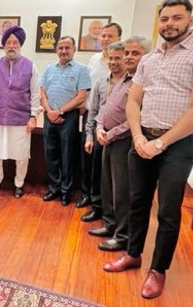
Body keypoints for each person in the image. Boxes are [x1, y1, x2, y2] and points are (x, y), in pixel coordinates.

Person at [122, 0, 193, 299]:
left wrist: (161, 143)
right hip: (143, 140)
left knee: (167, 210)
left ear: (190, 21)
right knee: (137, 202)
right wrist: (139, 136)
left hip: (177, 145)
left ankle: (158, 270)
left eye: (176, 18)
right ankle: (133, 254)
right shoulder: (149, 59)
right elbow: (134, 101)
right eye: (164, 18)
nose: (170, 24)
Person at [83, 38, 151, 257]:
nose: (127, 58)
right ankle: (110, 224)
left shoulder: (141, 82)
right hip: (107, 139)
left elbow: (136, 118)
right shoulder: (121, 80)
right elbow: (105, 108)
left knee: (122, 191)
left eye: (133, 54)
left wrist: (109, 133)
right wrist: (100, 128)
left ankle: (122, 236)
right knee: (108, 186)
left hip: (123, 141)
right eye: (127, 54)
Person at [0, 25, 42, 197]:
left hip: (20, 118)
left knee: (21, 155)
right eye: (8, 42)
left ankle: (19, 183)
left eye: (15, 42)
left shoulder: (30, 66)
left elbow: (35, 93)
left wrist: (33, 116)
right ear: (4, 45)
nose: (11, 45)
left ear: (20, 45)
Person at [39, 36, 91, 205]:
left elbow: (81, 97)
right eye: (60, 47)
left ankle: (65, 191)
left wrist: (59, 111)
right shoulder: (48, 69)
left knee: (67, 155)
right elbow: (42, 94)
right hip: (49, 115)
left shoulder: (81, 70)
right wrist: (50, 112)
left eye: (67, 47)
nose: (63, 51)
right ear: (56, 50)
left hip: (68, 117)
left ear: (74, 50)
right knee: (50, 154)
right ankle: (54, 188)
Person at [77, 22, 123, 212]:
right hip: (91, 113)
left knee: (102, 164)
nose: (105, 39)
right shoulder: (94, 59)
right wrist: (82, 103)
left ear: (119, 38)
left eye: (109, 36)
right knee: (87, 158)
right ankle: (87, 194)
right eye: (102, 35)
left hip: (113, 119)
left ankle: (103, 202)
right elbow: (89, 84)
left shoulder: (120, 60)